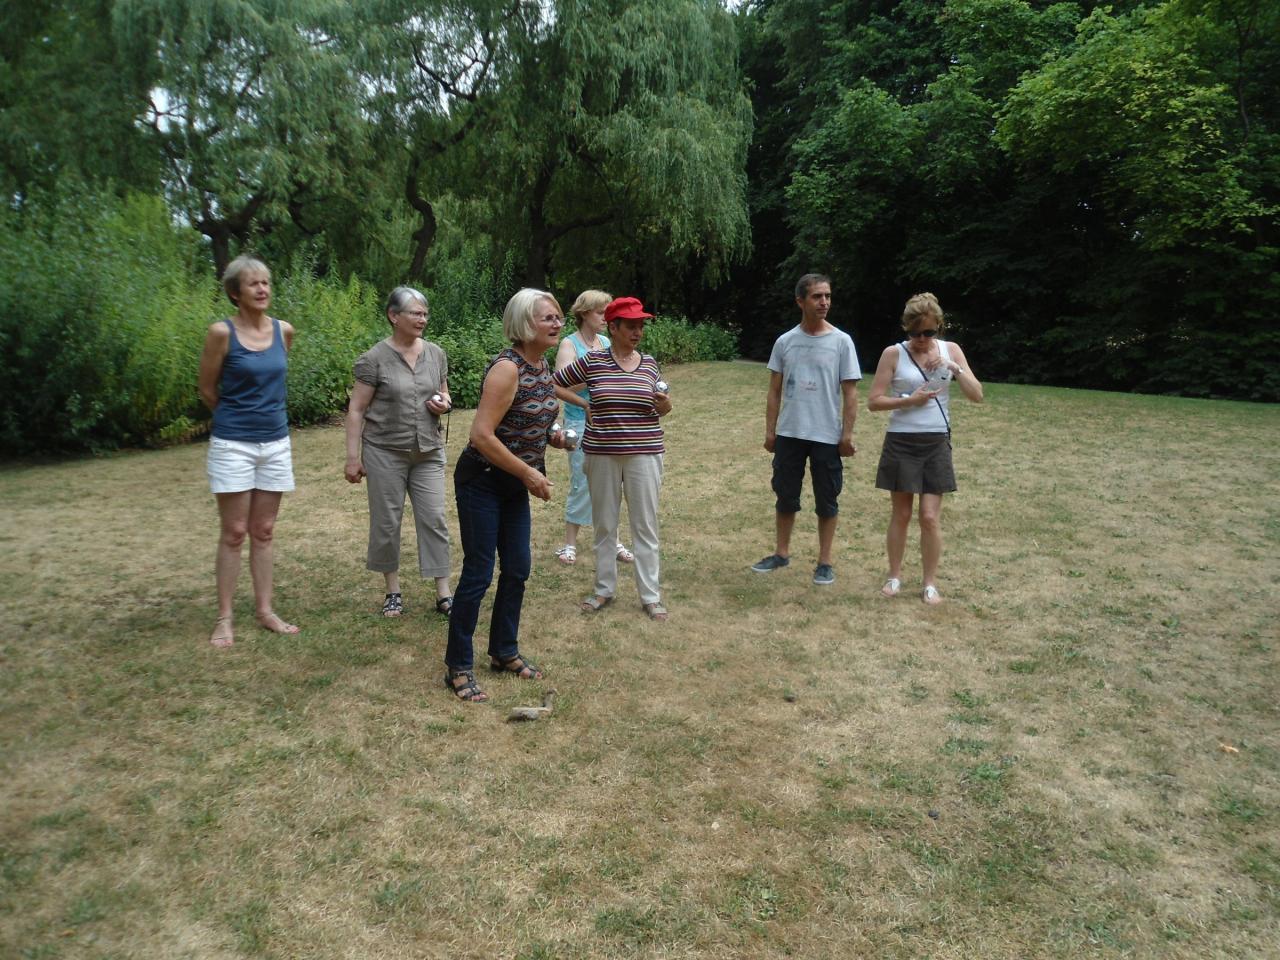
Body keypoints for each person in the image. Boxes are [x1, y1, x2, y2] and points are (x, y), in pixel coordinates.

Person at [444, 288, 567, 702]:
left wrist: (553, 437)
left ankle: (503, 651)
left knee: (517, 567)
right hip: (482, 480)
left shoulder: (540, 362)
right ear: (523, 324)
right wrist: (531, 473)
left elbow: (529, 418)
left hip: (514, 482)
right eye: (547, 318)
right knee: (479, 572)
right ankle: (458, 665)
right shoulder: (506, 369)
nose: (557, 323)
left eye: (558, 317)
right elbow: (481, 435)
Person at [197, 255, 300, 647]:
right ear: (234, 292)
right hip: (232, 444)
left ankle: (265, 610)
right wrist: (235, 422)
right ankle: (224, 617)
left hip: (275, 443)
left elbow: (273, 382)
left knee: (264, 530)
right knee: (234, 532)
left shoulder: (284, 331)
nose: (262, 289)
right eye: (253, 284)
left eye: (266, 283)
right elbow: (207, 389)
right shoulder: (220, 333)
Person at [554, 296, 673, 621]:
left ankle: (651, 596)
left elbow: (660, 405)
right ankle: (604, 589)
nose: (637, 332)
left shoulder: (649, 363)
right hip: (602, 454)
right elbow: (553, 383)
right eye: (631, 326)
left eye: (641, 326)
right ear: (614, 326)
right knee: (605, 525)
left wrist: (665, 407)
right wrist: (585, 405)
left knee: (644, 527)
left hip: (645, 455)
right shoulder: (593, 361)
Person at [344, 286, 454, 618]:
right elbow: (356, 409)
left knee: (434, 518)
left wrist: (443, 405)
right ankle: (392, 590)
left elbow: (445, 396)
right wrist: (353, 457)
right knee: (387, 522)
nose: (423, 319)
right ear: (394, 316)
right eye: (415, 313)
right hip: (384, 452)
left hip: (428, 451)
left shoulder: (436, 353)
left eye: (425, 313)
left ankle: (444, 594)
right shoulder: (373, 359)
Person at [867, 292, 983, 604]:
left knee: (929, 517)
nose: (922, 339)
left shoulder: (951, 350)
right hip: (901, 439)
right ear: (906, 329)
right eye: (915, 333)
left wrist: (953, 368)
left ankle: (930, 583)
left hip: (935, 441)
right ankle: (894, 576)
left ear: (938, 328)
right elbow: (874, 402)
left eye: (929, 332)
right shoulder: (893, 354)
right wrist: (910, 400)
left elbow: (977, 395)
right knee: (901, 514)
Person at [751, 274, 861, 586]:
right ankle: (781, 553)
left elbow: (851, 393)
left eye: (827, 296)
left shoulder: (841, 342)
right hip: (790, 433)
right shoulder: (785, 342)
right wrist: (771, 431)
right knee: (785, 495)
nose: (824, 302)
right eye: (817, 297)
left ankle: (825, 562)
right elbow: (774, 391)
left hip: (827, 435)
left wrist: (847, 435)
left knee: (827, 499)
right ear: (800, 301)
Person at [552, 289, 634, 568]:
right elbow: (560, 386)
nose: (605, 318)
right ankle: (570, 545)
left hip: (609, 423)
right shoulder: (569, 345)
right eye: (601, 312)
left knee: (613, 484)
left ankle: (614, 542)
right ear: (585, 313)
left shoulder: (604, 341)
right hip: (579, 423)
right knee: (581, 482)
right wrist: (594, 377)